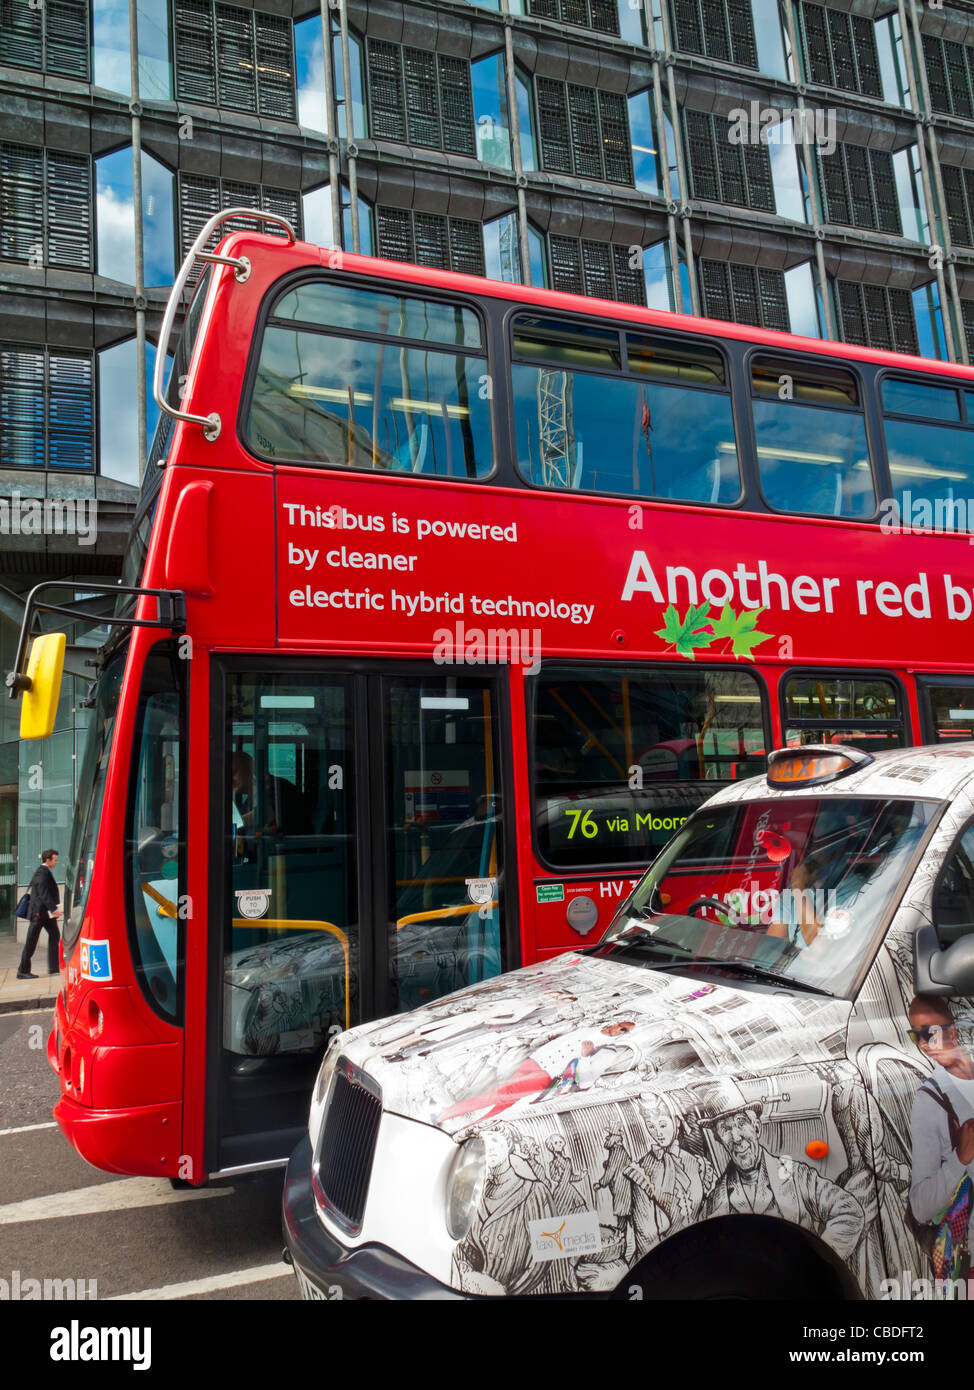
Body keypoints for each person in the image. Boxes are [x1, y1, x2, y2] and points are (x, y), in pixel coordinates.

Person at [907, 994, 974, 1281]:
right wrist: (960, 1159)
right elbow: (921, 1206)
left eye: (929, 1033)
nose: (924, 1043)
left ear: (952, 1031)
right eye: (916, 1036)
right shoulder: (931, 1101)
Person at [17, 848, 61, 979]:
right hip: (39, 913)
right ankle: (22, 971)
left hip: (45, 914)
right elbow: (43, 894)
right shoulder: (42, 873)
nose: (56, 862)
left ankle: (54, 968)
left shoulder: (45, 871)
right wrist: (54, 909)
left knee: (55, 934)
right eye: (55, 860)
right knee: (31, 941)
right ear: (48, 860)